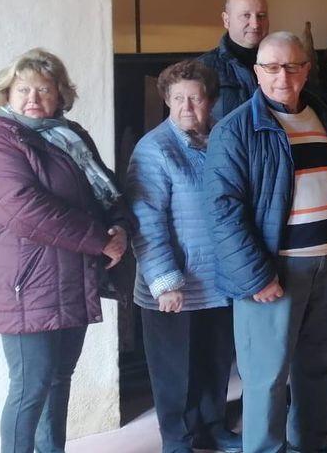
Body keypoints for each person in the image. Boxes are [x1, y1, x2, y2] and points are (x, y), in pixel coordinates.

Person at [0, 48, 129, 453]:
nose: (33, 99)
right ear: (6, 94)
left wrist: (122, 227)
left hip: (70, 277)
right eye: (23, 89)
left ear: (60, 96)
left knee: (58, 380)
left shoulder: (69, 137)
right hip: (24, 286)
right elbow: (25, 210)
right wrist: (100, 240)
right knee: (31, 386)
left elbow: (106, 191)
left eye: (44, 89)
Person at [205, 31, 327, 453]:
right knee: (266, 375)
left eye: (291, 66)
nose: (281, 75)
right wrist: (255, 277)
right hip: (275, 270)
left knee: (320, 364)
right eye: (270, 66)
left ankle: (313, 443)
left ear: (306, 70)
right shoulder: (236, 129)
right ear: (257, 72)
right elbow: (222, 210)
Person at [126, 60, 238, 453]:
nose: (187, 107)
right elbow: (145, 220)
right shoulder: (154, 149)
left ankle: (213, 426)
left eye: (196, 98)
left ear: (210, 101)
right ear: (166, 101)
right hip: (176, 285)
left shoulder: (220, 140)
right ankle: (178, 439)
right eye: (178, 99)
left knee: (215, 361)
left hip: (219, 280)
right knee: (176, 371)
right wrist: (166, 281)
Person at [199, 0, 270, 121]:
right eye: (246, 16)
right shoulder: (202, 68)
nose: (255, 24)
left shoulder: (283, 63)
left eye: (261, 15)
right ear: (226, 20)